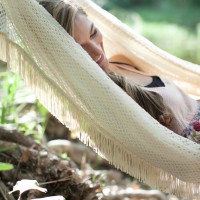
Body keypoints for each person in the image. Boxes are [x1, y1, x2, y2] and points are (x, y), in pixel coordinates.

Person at [37, 0, 200, 143]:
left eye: (93, 33)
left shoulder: (119, 62)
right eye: (80, 48)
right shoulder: (109, 100)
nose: (97, 51)